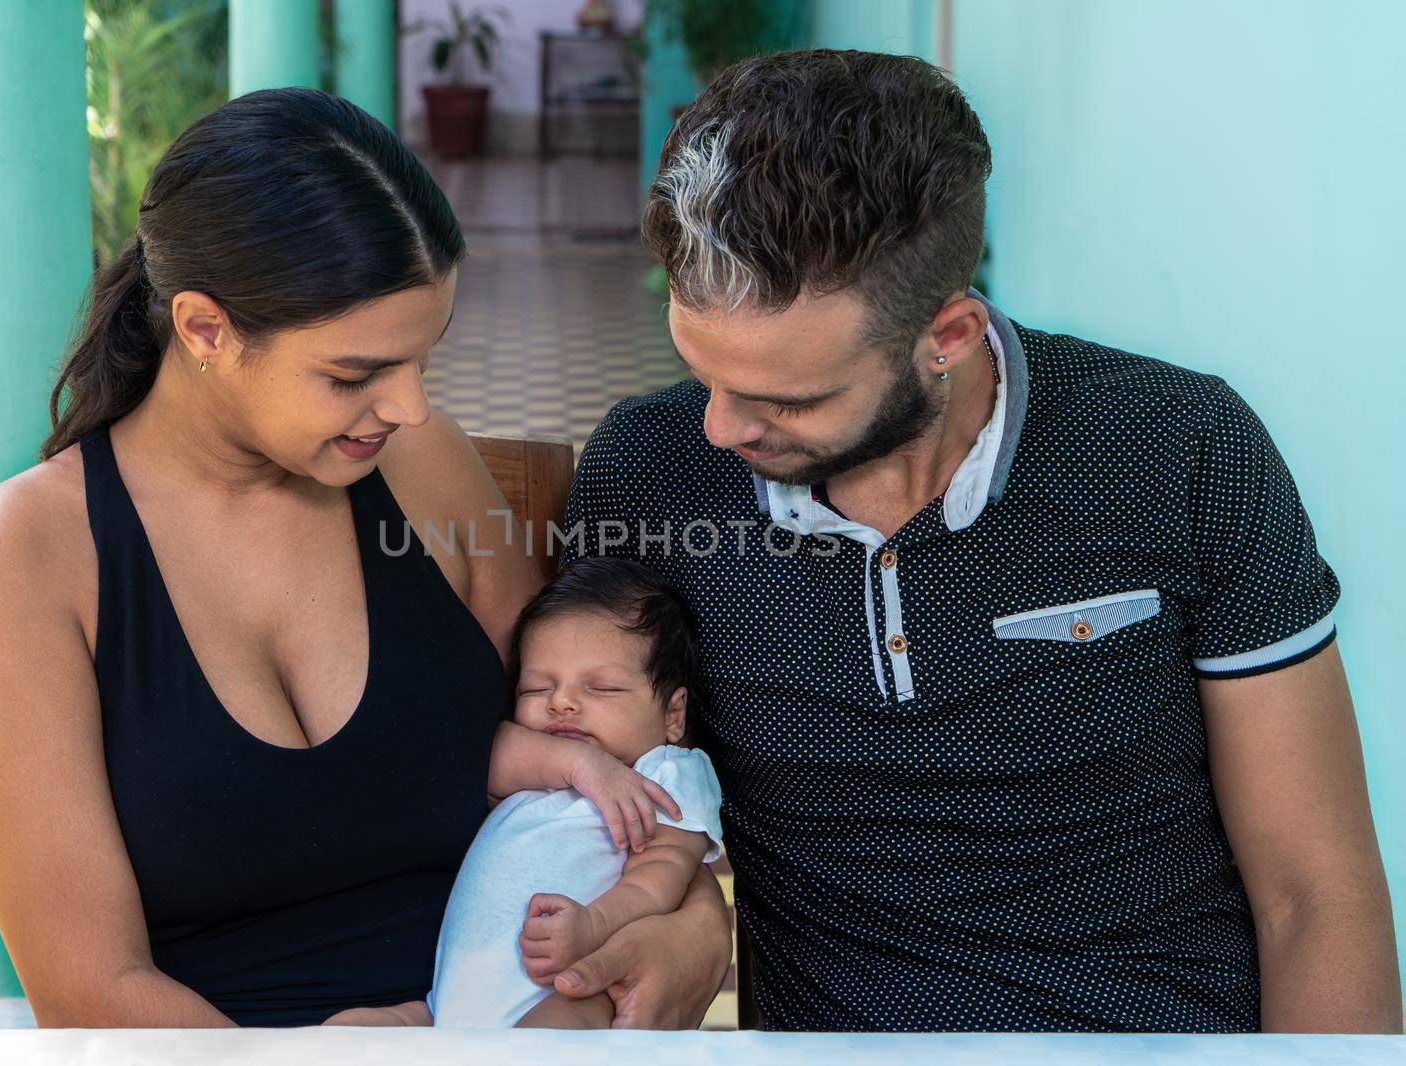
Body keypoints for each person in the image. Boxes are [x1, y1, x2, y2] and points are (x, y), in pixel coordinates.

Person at [563, 50, 1401, 1032]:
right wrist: (688, 923)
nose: (721, 429)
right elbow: (608, 810)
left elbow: (1315, 893)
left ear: (947, 336)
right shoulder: (648, 472)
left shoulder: (1181, 449)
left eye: (787, 397)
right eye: (702, 370)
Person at [0, 87, 731, 1029]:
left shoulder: (421, 468)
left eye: (421, 360)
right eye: (354, 375)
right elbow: (93, 993)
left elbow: (601, 766)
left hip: (510, 1030)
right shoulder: (26, 558)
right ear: (205, 331)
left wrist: (696, 928)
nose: (410, 409)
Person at [427, 557, 725, 1029]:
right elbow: (477, 764)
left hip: (559, 991)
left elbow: (662, 877)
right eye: (537, 687)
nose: (560, 702)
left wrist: (595, 925)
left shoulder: (666, 773)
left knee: (566, 1029)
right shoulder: (536, 764)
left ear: (673, 714)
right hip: (448, 1005)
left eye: (601, 687)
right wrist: (577, 764)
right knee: (350, 1033)